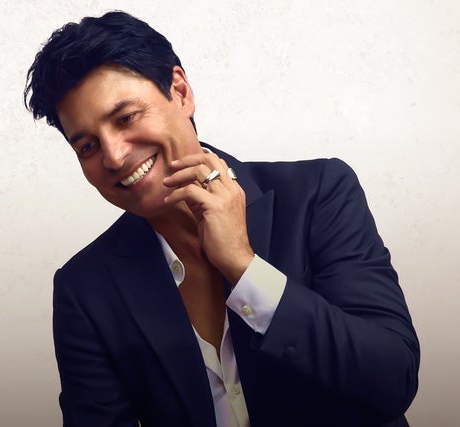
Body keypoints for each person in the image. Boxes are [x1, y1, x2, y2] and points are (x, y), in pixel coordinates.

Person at [24, 11, 420, 427]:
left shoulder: (318, 193)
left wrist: (245, 268)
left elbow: (392, 379)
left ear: (180, 92)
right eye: (87, 147)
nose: (114, 155)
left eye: (126, 118)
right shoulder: (86, 288)